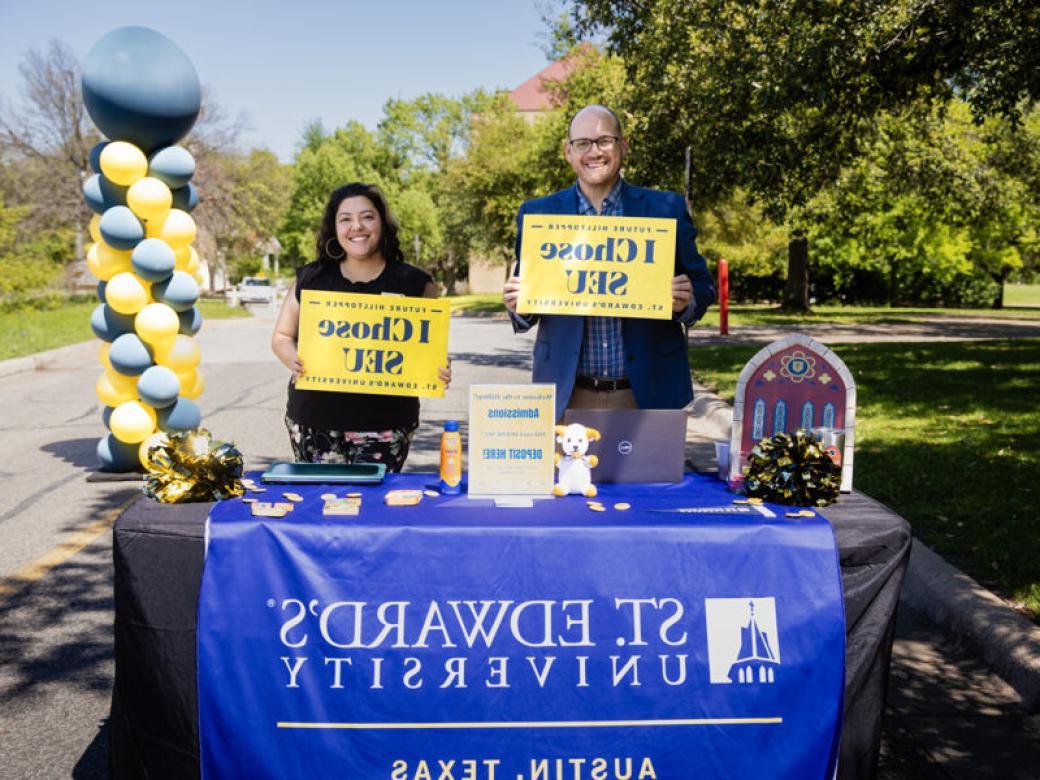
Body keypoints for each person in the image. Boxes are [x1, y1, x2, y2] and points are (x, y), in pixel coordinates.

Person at [503, 104, 715, 421]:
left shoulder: (665, 209)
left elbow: (703, 286)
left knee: (651, 474)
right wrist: (518, 304)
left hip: (648, 393)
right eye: (583, 143)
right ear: (568, 152)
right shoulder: (538, 215)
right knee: (569, 473)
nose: (594, 152)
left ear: (623, 146)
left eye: (605, 141)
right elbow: (529, 303)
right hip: (566, 393)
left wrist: (685, 303)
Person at [272, 182, 450, 471]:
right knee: (323, 508)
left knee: (370, 511)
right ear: (334, 228)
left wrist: (437, 368)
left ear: (382, 222)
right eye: (346, 219)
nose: (357, 226)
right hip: (314, 419)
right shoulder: (312, 279)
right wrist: (292, 357)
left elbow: (429, 349)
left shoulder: (415, 283)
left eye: (367, 216)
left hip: (386, 424)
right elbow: (281, 336)